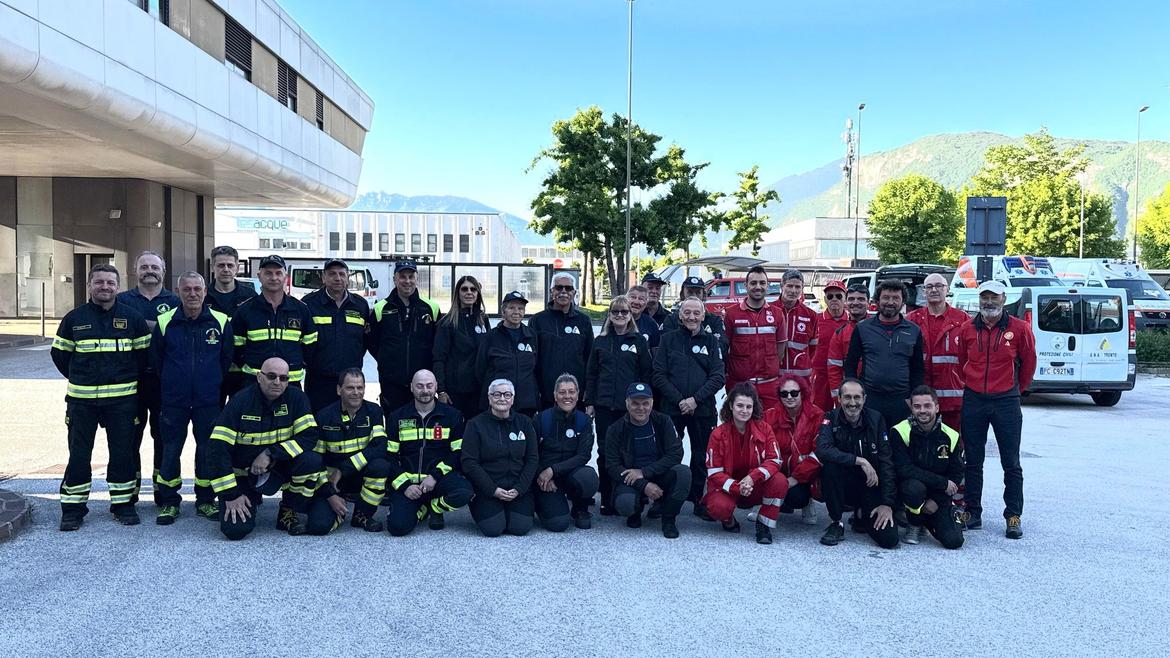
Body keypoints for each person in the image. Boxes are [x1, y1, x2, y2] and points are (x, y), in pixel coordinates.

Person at [51, 264, 151, 530]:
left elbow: (143, 357)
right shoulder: (74, 318)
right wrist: (81, 377)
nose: (105, 287)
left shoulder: (133, 318)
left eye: (110, 283)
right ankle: (72, 510)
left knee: (122, 454)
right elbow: (60, 356)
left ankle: (123, 505)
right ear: (90, 286)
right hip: (82, 401)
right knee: (79, 455)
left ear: (118, 287)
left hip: (122, 401)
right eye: (99, 282)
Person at [207, 357, 330, 539]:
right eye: (271, 376)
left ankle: (288, 510)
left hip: (278, 466)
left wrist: (270, 453)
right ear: (259, 377)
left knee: (311, 460)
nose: (277, 382)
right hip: (243, 473)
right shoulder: (240, 401)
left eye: (283, 378)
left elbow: (309, 436)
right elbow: (217, 449)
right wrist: (230, 495)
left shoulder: (297, 398)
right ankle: (248, 499)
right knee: (235, 531)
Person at [150, 272, 233, 525]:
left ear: (205, 292)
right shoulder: (165, 321)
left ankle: (205, 500)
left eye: (197, 289)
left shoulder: (220, 321)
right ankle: (169, 502)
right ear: (178, 292)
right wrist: (174, 384)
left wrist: (210, 384)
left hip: (208, 401)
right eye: (187, 289)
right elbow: (157, 361)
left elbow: (226, 360)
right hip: (174, 401)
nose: (193, 294)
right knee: (170, 450)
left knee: (206, 451)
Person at [956, 280, 1036, 539]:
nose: (989, 302)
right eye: (985, 297)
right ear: (979, 300)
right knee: (972, 460)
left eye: (994, 297)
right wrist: (973, 383)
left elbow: (1028, 363)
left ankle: (1013, 515)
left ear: (1004, 299)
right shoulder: (967, 328)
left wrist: (1014, 390)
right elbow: (960, 362)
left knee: (1011, 462)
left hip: (1006, 402)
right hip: (974, 399)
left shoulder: (1020, 329)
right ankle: (973, 512)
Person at [116, 250, 181, 505]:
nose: (149, 271)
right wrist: (156, 326)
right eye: (144, 267)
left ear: (163, 272)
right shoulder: (121, 301)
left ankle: (162, 493)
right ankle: (129, 493)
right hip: (131, 382)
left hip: (164, 384)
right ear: (135, 271)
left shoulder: (176, 302)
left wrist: (141, 325)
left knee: (164, 439)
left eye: (155, 267)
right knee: (130, 438)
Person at [652, 297, 724, 517]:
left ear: (703, 316)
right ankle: (662, 498)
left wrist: (695, 400)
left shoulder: (712, 342)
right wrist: (680, 401)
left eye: (696, 313)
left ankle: (698, 500)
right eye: (687, 312)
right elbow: (658, 375)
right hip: (671, 410)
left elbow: (718, 376)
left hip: (702, 410)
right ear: (679, 315)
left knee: (701, 456)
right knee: (667, 453)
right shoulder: (668, 340)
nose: (692, 317)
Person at [585, 295, 652, 515]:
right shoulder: (601, 341)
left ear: (630, 315)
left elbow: (646, 374)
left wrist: (644, 405)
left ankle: (635, 495)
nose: (620, 316)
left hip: (630, 409)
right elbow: (592, 374)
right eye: (615, 312)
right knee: (606, 453)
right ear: (610, 316)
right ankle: (606, 496)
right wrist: (590, 402)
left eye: (624, 312)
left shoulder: (639, 341)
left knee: (632, 453)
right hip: (604, 406)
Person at [814, 379, 899, 549]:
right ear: (839, 399)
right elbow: (822, 449)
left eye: (857, 397)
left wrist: (887, 504)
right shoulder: (830, 418)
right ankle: (836, 522)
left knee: (889, 540)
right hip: (843, 485)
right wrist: (859, 460)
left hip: (870, 485)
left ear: (864, 399)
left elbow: (886, 462)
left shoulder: (876, 419)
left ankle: (862, 514)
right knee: (830, 467)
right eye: (847, 397)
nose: (852, 403)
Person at [385, 370, 471, 535]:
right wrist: (405, 486)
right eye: (420, 386)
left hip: (438, 480)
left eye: (429, 385)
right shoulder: (397, 417)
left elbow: (458, 453)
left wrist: (435, 476)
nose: (425, 390)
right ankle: (421, 509)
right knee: (397, 528)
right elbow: (389, 457)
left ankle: (434, 507)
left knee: (465, 492)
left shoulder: (452, 416)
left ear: (436, 387)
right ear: (411, 387)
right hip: (408, 481)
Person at [605, 382, 691, 539]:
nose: (641, 408)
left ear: (652, 403)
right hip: (631, 479)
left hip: (658, 473)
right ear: (627, 403)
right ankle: (635, 512)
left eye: (645, 403)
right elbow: (612, 466)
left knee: (683, 473)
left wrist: (644, 472)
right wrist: (643, 484)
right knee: (625, 503)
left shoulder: (664, 422)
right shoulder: (615, 429)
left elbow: (676, 454)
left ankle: (668, 519)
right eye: (635, 403)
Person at [703, 383, 785, 544]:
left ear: (754, 408)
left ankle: (763, 525)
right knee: (718, 507)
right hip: (729, 488)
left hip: (754, 485)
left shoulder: (765, 429)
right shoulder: (718, 434)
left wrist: (753, 477)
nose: (744, 410)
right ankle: (729, 521)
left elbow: (775, 460)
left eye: (749, 406)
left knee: (780, 481)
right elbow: (714, 473)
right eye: (740, 405)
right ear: (731, 406)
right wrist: (737, 486)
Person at [313, 368, 392, 533]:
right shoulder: (324, 416)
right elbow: (316, 459)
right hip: (333, 481)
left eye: (360, 388)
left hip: (359, 475)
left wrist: (344, 468)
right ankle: (338, 511)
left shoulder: (374, 411)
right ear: (338, 389)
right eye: (350, 388)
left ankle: (362, 514)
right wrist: (329, 494)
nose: (356, 392)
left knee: (381, 465)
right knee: (319, 526)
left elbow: (380, 447)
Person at [462, 379, 540, 537]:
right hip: (488, 489)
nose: (502, 398)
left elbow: (532, 459)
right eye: (497, 394)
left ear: (513, 398)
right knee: (493, 529)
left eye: (507, 394)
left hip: (518, 489)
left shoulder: (524, 423)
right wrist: (493, 490)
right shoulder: (475, 425)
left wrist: (519, 488)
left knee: (520, 528)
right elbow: (469, 462)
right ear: (489, 398)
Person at [844, 280, 924, 430]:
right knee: (873, 445)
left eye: (896, 298)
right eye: (886, 297)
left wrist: (913, 398)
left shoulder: (914, 331)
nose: (890, 302)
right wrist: (855, 394)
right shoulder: (863, 329)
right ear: (877, 300)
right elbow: (850, 364)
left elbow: (918, 368)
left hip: (901, 400)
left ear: (903, 302)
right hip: (871, 399)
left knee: (899, 445)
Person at [891, 386, 964, 549]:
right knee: (913, 488)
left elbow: (957, 473)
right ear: (911, 407)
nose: (922, 411)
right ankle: (914, 523)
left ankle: (928, 520)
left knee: (954, 541)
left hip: (938, 496)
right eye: (917, 406)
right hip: (912, 491)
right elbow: (904, 469)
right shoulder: (900, 431)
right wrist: (942, 483)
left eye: (927, 406)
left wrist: (937, 500)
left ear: (937, 407)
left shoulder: (951, 435)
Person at [230, 254, 317, 389]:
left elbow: (310, 346)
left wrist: (296, 364)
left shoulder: (301, 310)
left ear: (285, 277)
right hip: (254, 383)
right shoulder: (245, 311)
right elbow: (235, 347)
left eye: (278, 273)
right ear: (259, 276)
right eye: (268, 273)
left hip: (290, 383)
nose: (274, 278)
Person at [367, 259, 441, 417]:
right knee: (394, 423)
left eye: (411, 276)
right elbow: (371, 342)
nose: (407, 281)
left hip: (423, 383)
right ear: (395, 279)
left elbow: (438, 344)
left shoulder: (431, 308)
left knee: (423, 422)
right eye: (402, 277)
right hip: (392, 382)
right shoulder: (381, 308)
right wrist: (387, 359)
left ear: (416, 279)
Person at [301, 258, 370, 412]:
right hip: (319, 381)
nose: (337, 278)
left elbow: (365, 341)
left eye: (341, 274)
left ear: (347, 277)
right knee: (319, 423)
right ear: (323, 278)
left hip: (350, 382)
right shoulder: (308, 304)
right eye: (332, 274)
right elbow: (301, 340)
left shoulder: (360, 305)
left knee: (349, 424)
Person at [532, 374, 599, 531]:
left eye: (571, 392)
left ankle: (579, 507)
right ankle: (541, 503)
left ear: (578, 395)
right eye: (562, 392)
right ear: (555, 396)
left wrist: (554, 470)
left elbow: (584, 456)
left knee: (588, 477)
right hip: (544, 479)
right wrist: (542, 474)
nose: (567, 396)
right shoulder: (541, 419)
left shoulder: (585, 422)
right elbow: (530, 454)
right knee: (558, 524)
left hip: (570, 474)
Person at [906, 273, 968, 433]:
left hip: (953, 400)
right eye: (929, 287)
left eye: (939, 286)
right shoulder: (911, 320)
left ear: (947, 290)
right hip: (921, 400)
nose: (934, 290)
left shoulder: (963, 321)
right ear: (924, 292)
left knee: (952, 444)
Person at [723, 265, 788, 411]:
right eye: (753, 283)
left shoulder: (777, 314)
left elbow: (780, 349)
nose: (758, 287)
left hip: (769, 385)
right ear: (745, 285)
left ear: (768, 285)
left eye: (762, 283)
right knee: (740, 430)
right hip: (740, 385)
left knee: (769, 428)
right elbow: (725, 348)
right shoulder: (731, 314)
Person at [763, 374, 824, 526]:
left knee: (797, 498)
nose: (789, 397)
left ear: (803, 393)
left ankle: (808, 501)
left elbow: (820, 452)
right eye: (784, 394)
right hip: (778, 470)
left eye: (794, 393)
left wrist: (795, 479)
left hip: (806, 473)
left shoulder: (817, 415)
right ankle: (764, 503)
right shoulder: (769, 416)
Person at [530, 273, 594, 409]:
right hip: (547, 395)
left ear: (574, 292)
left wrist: (588, 393)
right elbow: (532, 360)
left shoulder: (584, 321)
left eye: (568, 288)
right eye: (559, 288)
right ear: (551, 291)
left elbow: (590, 359)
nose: (563, 292)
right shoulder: (537, 321)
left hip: (576, 396)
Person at [433, 274, 490, 420]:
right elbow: (438, 358)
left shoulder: (483, 320)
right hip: (455, 392)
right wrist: (441, 390)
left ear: (478, 293)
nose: (469, 292)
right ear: (458, 293)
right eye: (464, 289)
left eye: (473, 289)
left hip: (479, 390)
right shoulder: (447, 323)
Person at [205, 245, 256, 404]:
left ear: (237, 267)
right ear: (213, 267)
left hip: (242, 373)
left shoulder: (250, 296)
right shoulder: (202, 296)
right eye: (220, 265)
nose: (225, 269)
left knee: (241, 419)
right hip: (212, 371)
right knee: (212, 421)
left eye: (230, 265)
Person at [475, 290, 540, 416]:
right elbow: (480, 370)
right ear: (503, 311)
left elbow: (536, 367)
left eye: (521, 308)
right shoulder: (491, 337)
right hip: (498, 404)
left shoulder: (531, 335)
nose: (516, 312)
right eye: (511, 308)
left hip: (526, 404)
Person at [661, 276, 728, 356]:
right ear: (682, 294)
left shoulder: (714, 320)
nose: (694, 296)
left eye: (698, 293)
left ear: (704, 295)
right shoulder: (671, 320)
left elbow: (722, 347)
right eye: (690, 292)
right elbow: (668, 347)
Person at [826, 284, 870, 406]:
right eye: (851, 299)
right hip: (851, 396)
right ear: (846, 302)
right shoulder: (840, 333)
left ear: (869, 302)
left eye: (861, 299)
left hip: (875, 393)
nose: (855, 303)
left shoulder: (878, 329)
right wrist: (838, 400)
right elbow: (834, 369)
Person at [811, 279, 848, 411]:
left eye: (838, 296)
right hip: (820, 376)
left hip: (843, 375)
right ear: (825, 299)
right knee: (819, 410)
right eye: (830, 296)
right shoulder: (815, 319)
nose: (834, 299)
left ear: (845, 298)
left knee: (844, 409)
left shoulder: (852, 322)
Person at [776, 269, 818, 382]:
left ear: (802, 289)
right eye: (789, 286)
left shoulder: (811, 315)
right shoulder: (770, 311)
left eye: (798, 287)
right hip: (774, 375)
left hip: (802, 377)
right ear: (782, 286)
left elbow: (813, 349)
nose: (793, 291)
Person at [627, 284, 661, 351]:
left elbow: (655, 351)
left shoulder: (651, 323)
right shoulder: (616, 319)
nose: (636, 302)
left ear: (646, 303)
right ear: (626, 300)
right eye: (633, 297)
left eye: (641, 299)